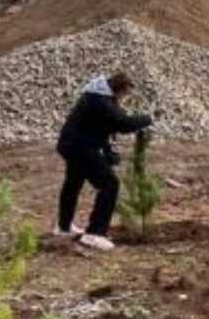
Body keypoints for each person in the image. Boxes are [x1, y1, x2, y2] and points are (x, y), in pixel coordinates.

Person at [56, 72, 153, 252]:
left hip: (71, 144)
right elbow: (123, 124)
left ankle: (64, 226)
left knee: (73, 182)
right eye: (126, 93)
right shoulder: (101, 101)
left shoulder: (97, 95)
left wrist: (108, 151)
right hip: (79, 146)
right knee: (109, 184)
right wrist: (148, 119)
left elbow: (104, 127)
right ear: (120, 90)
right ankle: (94, 234)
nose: (125, 98)